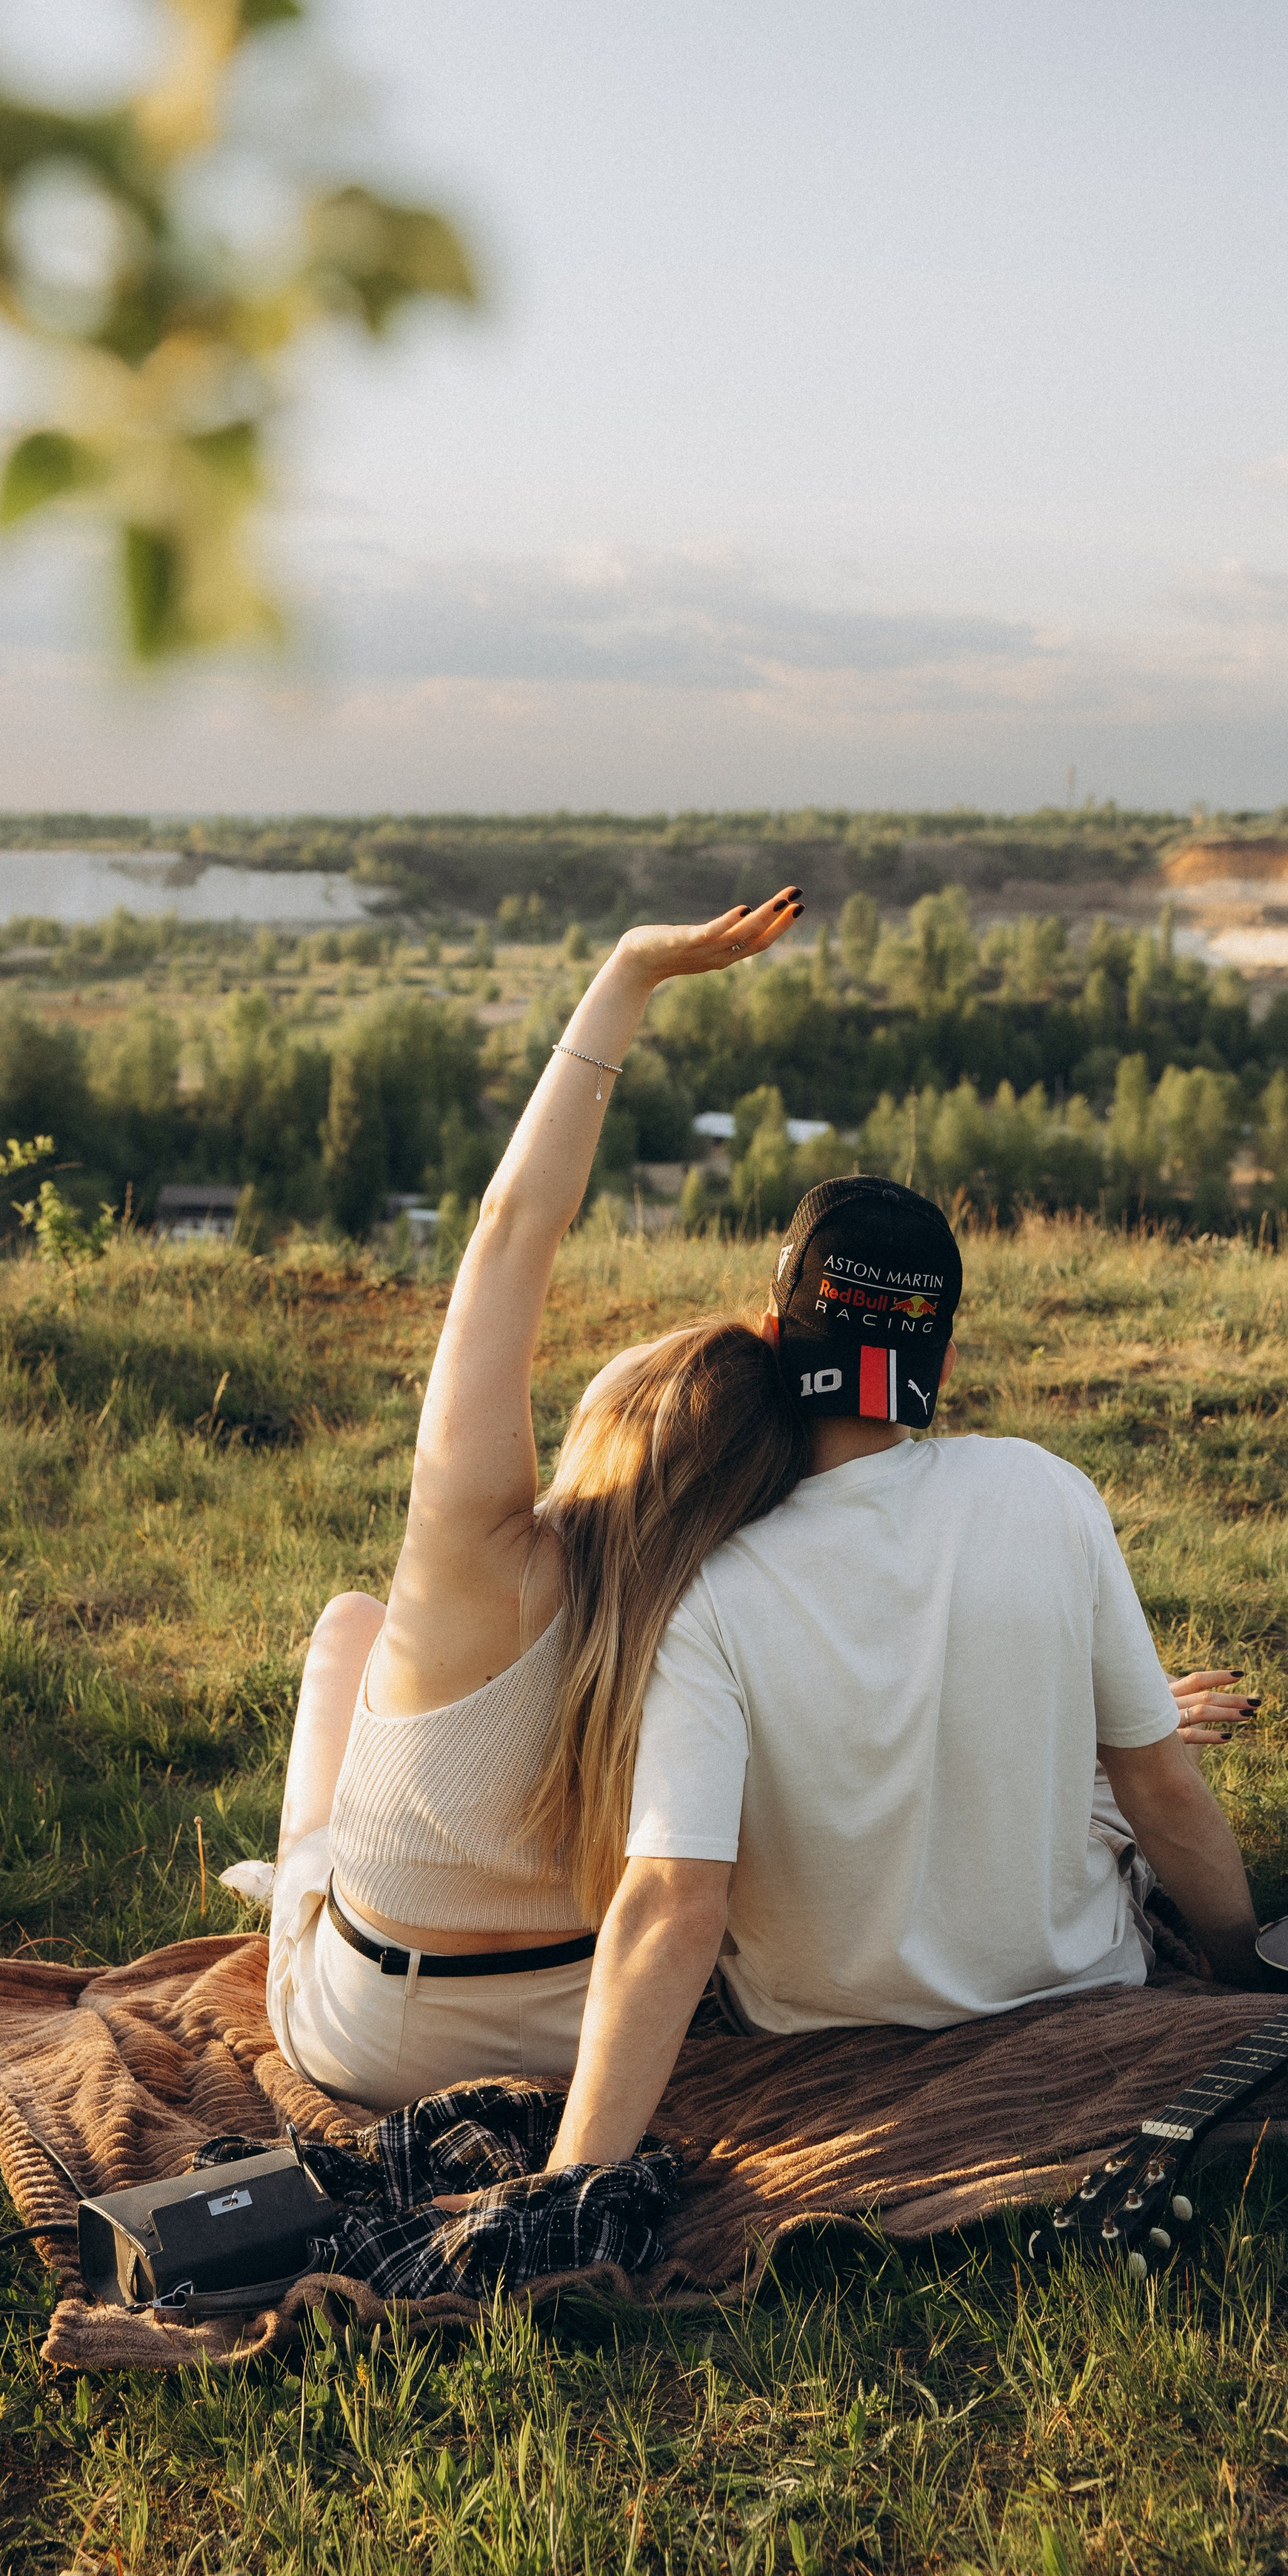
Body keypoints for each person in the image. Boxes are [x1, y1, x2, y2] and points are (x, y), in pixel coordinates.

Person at [547, 1174, 1264, 2170]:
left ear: (771, 1337)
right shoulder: (1046, 1492)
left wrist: (572, 2178)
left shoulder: (703, 1584)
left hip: (810, 2041)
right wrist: (1248, 1980)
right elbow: (1163, 1789)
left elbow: (674, 1901)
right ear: (947, 1363)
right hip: (1081, 1993)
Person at [245, 888, 811, 2111]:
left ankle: (296, 1881)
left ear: (618, 1418)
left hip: (370, 2037)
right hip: (599, 2032)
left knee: (350, 1625)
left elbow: (512, 1232)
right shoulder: (742, 1605)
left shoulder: (481, 1565)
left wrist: (628, 975)